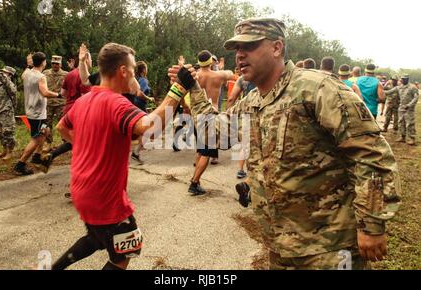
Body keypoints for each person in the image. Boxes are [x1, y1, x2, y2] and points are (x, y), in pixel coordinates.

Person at [171, 17, 401, 269]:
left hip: (329, 248)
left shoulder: (317, 89)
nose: (240, 55)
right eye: (237, 49)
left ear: (277, 47)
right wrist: (192, 87)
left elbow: (371, 155)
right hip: (280, 246)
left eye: (249, 46)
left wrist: (371, 224)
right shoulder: (252, 102)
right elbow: (214, 132)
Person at [52, 42, 195, 270]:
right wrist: (178, 89)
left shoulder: (84, 100)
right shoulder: (116, 102)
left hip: (82, 192)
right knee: (126, 251)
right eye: (132, 68)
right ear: (123, 71)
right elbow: (150, 128)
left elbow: (61, 126)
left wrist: (85, 145)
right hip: (105, 199)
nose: (135, 75)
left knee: (98, 238)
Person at [188, 50, 233, 195]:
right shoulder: (218, 75)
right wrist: (221, 66)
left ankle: (196, 179)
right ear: (210, 61)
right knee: (207, 152)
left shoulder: (194, 77)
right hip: (210, 116)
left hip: (196, 115)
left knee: (200, 149)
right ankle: (194, 183)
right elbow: (231, 73)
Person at [13, 52, 62, 175]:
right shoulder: (41, 76)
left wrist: (29, 64)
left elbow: (25, 73)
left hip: (30, 110)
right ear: (43, 62)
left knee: (45, 132)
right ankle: (20, 164)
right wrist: (59, 94)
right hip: (38, 112)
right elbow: (45, 92)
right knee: (36, 139)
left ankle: (37, 156)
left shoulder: (27, 73)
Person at [226, 74, 256, 179]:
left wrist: (228, 116)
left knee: (245, 144)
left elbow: (231, 98)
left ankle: (241, 170)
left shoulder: (242, 79)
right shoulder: (265, 75)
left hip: (246, 112)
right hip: (263, 112)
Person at [42, 55, 68, 152]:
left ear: (60, 64)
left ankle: (66, 142)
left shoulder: (66, 74)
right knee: (47, 123)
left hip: (61, 103)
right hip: (48, 102)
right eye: (53, 63)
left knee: (62, 123)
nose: (55, 65)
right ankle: (48, 142)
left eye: (57, 64)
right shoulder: (45, 73)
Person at [132, 61, 155, 163]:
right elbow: (139, 93)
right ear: (144, 70)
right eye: (146, 68)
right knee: (147, 128)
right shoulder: (143, 81)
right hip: (139, 105)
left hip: (135, 105)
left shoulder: (136, 79)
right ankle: (136, 152)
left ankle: (139, 147)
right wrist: (149, 98)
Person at [385, 74, 419, 145]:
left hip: (409, 108)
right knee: (401, 123)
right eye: (402, 79)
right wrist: (378, 91)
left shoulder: (412, 87)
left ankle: (412, 138)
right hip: (401, 107)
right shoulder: (399, 87)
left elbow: (416, 98)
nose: (402, 80)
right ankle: (402, 137)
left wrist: (409, 105)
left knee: (410, 123)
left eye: (404, 79)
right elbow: (389, 92)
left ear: (407, 79)